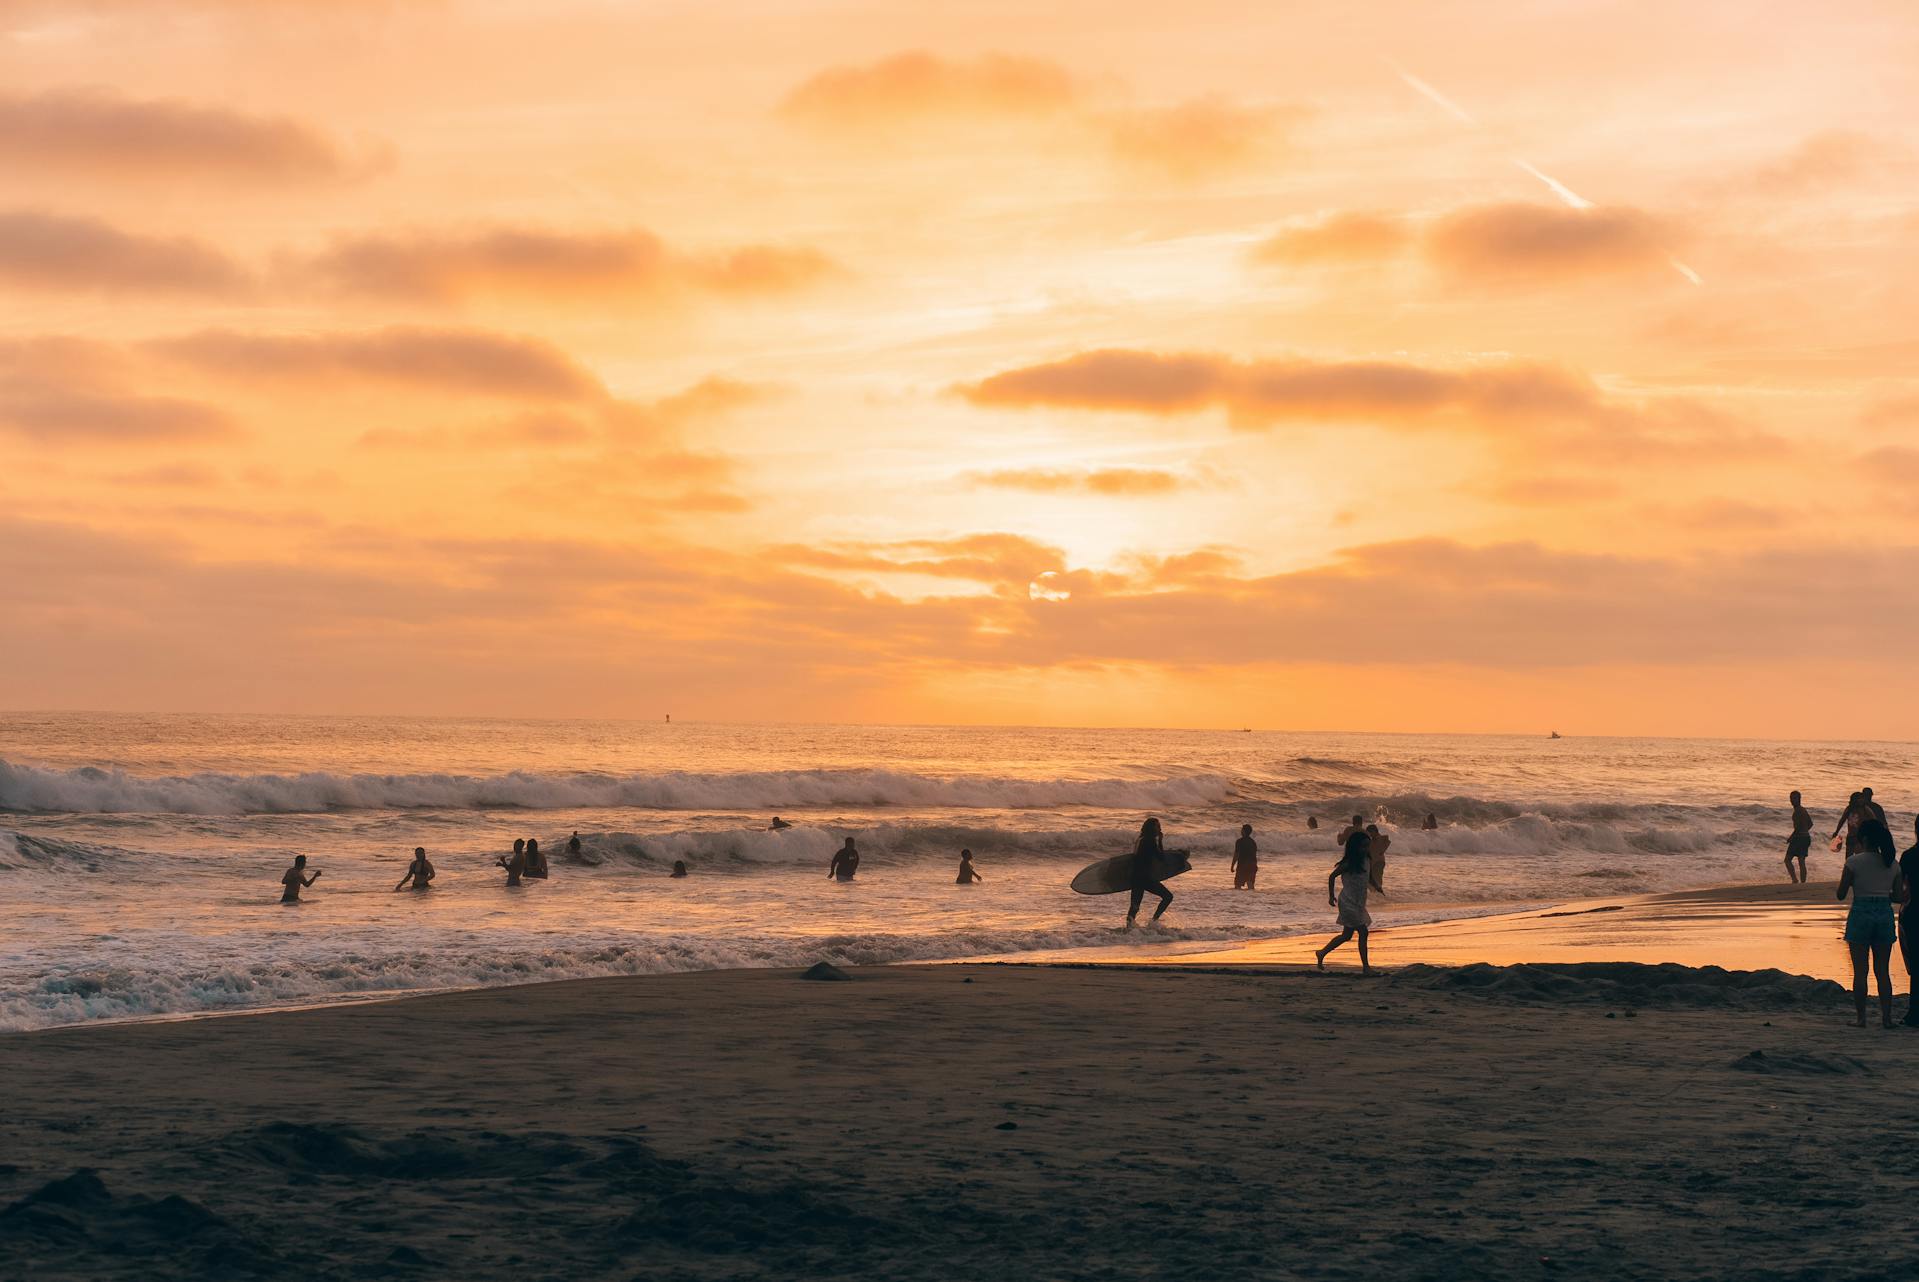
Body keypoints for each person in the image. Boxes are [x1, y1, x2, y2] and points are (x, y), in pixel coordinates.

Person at [1836, 817, 1906, 1029]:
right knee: (1882, 971)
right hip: (1884, 913)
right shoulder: (1892, 864)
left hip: (1861, 913)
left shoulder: (1853, 862)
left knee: (1860, 971)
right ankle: (1887, 1019)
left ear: (1864, 839)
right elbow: (1897, 897)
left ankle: (1861, 1018)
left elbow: (1840, 894)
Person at [1315, 830, 1375, 975]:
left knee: (1346, 935)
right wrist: (1331, 896)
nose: (1365, 849)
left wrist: (1376, 885)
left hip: (1359, 903)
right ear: (1355, 847)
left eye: (1367, 846)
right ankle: (1366, 967)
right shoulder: (1349, 863)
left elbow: (1369, 876)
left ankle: (1322, 953)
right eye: (1363, 846)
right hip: (1347, 903)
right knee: (1363, 932)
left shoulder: (1367, 860)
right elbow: (1332, 877)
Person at [1126, 817, 1174, 928]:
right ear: (1152, 828)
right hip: (1145, 878)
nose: (1160, 828)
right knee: (1168, 897)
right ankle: (1153, 921)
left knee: (1135, 906)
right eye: (1157, 826)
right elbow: (1161, 858)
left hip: (1135, 876)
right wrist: (1160, 841)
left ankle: (1128, 929)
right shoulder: (1150, 840)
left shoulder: (1140, 839)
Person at [1901, 816, 1919, 1027]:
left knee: (1915, 964)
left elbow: (1902, 887)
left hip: (1914, 911)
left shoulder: (1909, 856)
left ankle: (1914, 1012)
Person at [1785, 791, 1812, 883]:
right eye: (1791, 798)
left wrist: (1791, 838)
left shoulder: (1797, 811)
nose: (1792, 800)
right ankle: (1803, 882)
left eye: (1794, 798)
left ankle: (1795, 880)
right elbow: (1810, 824)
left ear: (1799, 799)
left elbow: (1798, 828)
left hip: (1799, 838)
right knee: (1801, 861)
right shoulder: (1803, 809)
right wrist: (1805, 831)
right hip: (1806, 837)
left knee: (1787, 859)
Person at [1365, 824, 1391, 891]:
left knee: (1376, 881)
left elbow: (1387, 840)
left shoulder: (1378, 838)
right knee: (1373, 881)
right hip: (1375, 862)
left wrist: (1383, 850)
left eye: (1370, 832)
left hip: (1378, 862)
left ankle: (1379, 896)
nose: (1369, 834)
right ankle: (1377, 895)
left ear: (1374, 831)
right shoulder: (1373, 840)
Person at [1231, 824, 1258, 890]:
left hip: (1243, 865)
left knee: (1237, 886)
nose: (1241, 831)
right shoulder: (1253, 842)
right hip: (1252, 865)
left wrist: (1232, 866)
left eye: (1242, 830)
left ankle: (1239, 900)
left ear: (1244, 831)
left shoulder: (1239, 841)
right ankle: (1253, 899)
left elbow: (1236, 855)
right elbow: (1254, 855)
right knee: (1250, 886)